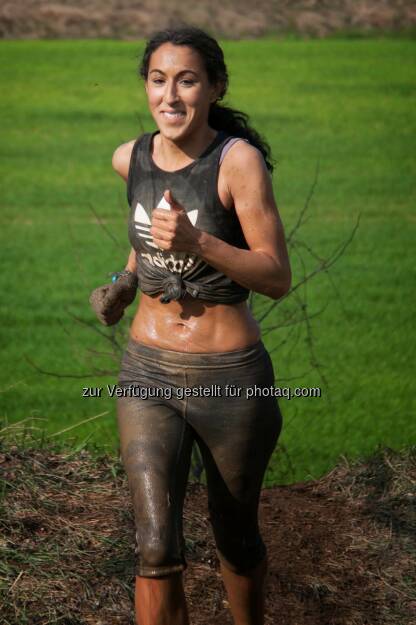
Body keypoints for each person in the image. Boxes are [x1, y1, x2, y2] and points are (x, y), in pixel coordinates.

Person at [90, 26, 291, 625]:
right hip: (146, 370)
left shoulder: (238, 162)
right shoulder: (131, 157)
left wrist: (199, 242)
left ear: (214, 87)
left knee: (236, 537)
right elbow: (145, 244)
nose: (170, 95)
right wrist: (124, 284)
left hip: (229, 379)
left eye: (187, 80)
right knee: (154, 547)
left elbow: (276, 276)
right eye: (158, 80)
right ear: (146, 88)